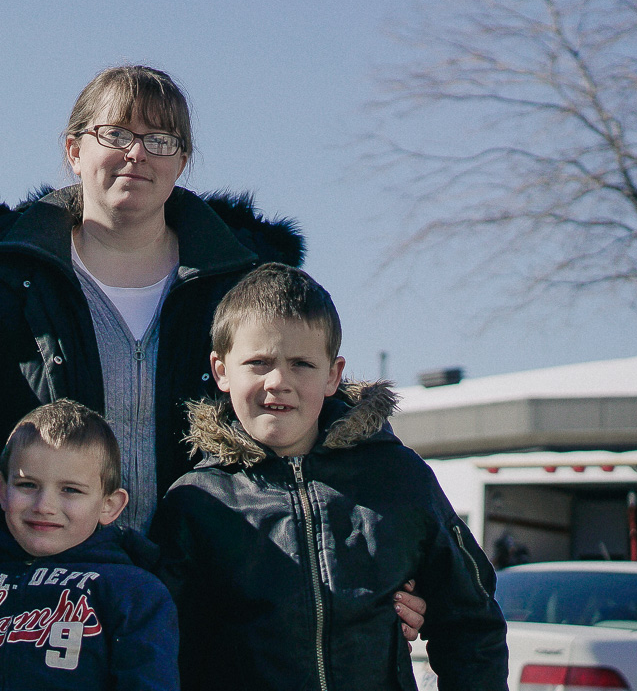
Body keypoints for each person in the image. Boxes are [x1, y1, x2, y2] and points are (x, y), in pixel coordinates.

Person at [0, 65, 427, 661]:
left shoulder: (246, 286)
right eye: (115, 134)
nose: (137, 154)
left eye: (160, 140)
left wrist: (389, 567)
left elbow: (324, 425)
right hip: (36, 612)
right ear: (74, 150)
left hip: (219, 605)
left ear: (182, 162)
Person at [149, 264, 508, 690]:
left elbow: (470, 625)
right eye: (258, 363)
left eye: (301, 364)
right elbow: (158, 647)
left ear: (333, 375)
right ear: (222, 370)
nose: (278, 381)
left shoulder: (398, 480)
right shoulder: (196, 502)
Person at [0, 400, 177, 691]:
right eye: (27, 485)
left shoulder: (134, 593)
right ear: (1, 490)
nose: (44, 506)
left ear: (110, 505)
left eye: (70, 490)